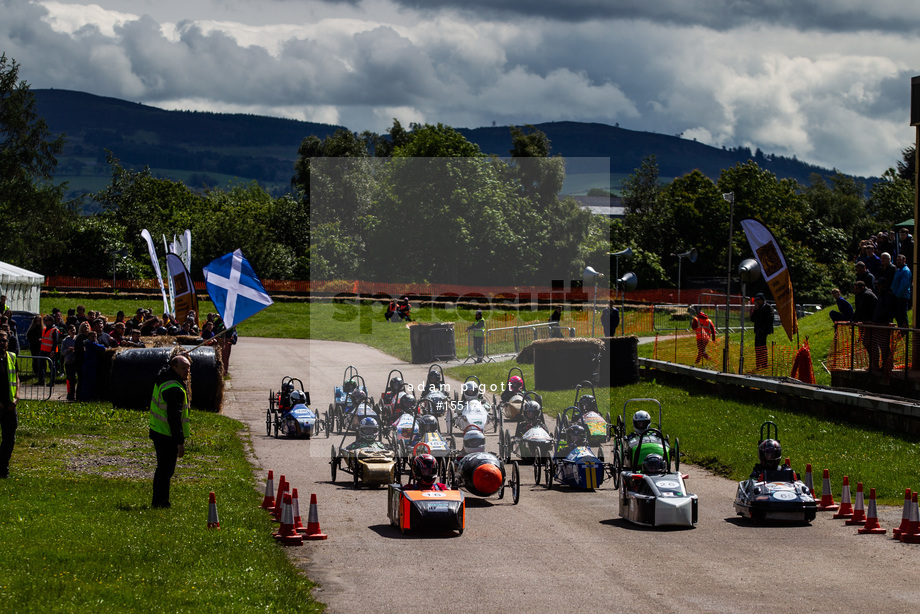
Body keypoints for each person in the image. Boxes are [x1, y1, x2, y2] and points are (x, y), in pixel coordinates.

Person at [149, 354, 191, 508]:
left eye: (188, 367)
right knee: (166, 470)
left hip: (157, 430)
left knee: (163, 469)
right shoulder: (174, 388)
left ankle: (159, 500)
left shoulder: (164, 376)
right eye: (183, 368)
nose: (187, 371)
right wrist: (180, 442)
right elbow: (174, 418)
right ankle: (161, 502)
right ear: (174, 368)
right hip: (166, 434)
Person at [0, 331, 20, 478]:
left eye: (4, 341)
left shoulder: (11, 357)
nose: (2, 343)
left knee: (9, 439)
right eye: (0, 341)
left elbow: (17, 378)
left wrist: (17, 396)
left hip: (10, 404)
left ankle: (3, 466)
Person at [871, 276, 895, 374]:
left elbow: (888, 310)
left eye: (880, 285)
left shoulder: (888, 295)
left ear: (884, 285)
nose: (878, 287)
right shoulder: (880, 295)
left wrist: (880, 317)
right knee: (879, 345)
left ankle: (887, 365)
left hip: (883, 323)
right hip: (877, 323)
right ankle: (882, 365)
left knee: (884, 346)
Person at [750, 293, 775, 372]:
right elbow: (752, 319)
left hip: (764, 331)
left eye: (758, 300)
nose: (757, 302)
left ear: (762, 300)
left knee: (762, 346)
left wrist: (764, 329)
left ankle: (764, 363)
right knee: (757, 347)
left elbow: (770, 319)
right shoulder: (758, 308)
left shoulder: (768, 307)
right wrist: (755, 310)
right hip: (757, 330)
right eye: (756, 300)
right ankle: (758, 364)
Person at [891, 253, 911, 329]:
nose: (898, 261)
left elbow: (904, 285)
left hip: (902, 297)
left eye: (900, 260)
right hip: (896, 295)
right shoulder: (899, 270)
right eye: (897, 260)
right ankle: (901, 330)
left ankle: (904, 331)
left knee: (902, 315)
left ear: (904, 261)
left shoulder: (905, 271)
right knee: (898, 316)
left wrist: (897, 294)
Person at [60, 324, 78, 401]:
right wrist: (68, 350)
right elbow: (62, 352)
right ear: (68, 332)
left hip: (76, 360)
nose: (73, 331)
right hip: (68, 361)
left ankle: (75, 393)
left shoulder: (77, 339)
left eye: (74, 330)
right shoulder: (65, 341)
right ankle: (69, 393)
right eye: (71, 330)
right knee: (69, 379)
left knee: (75, 378)